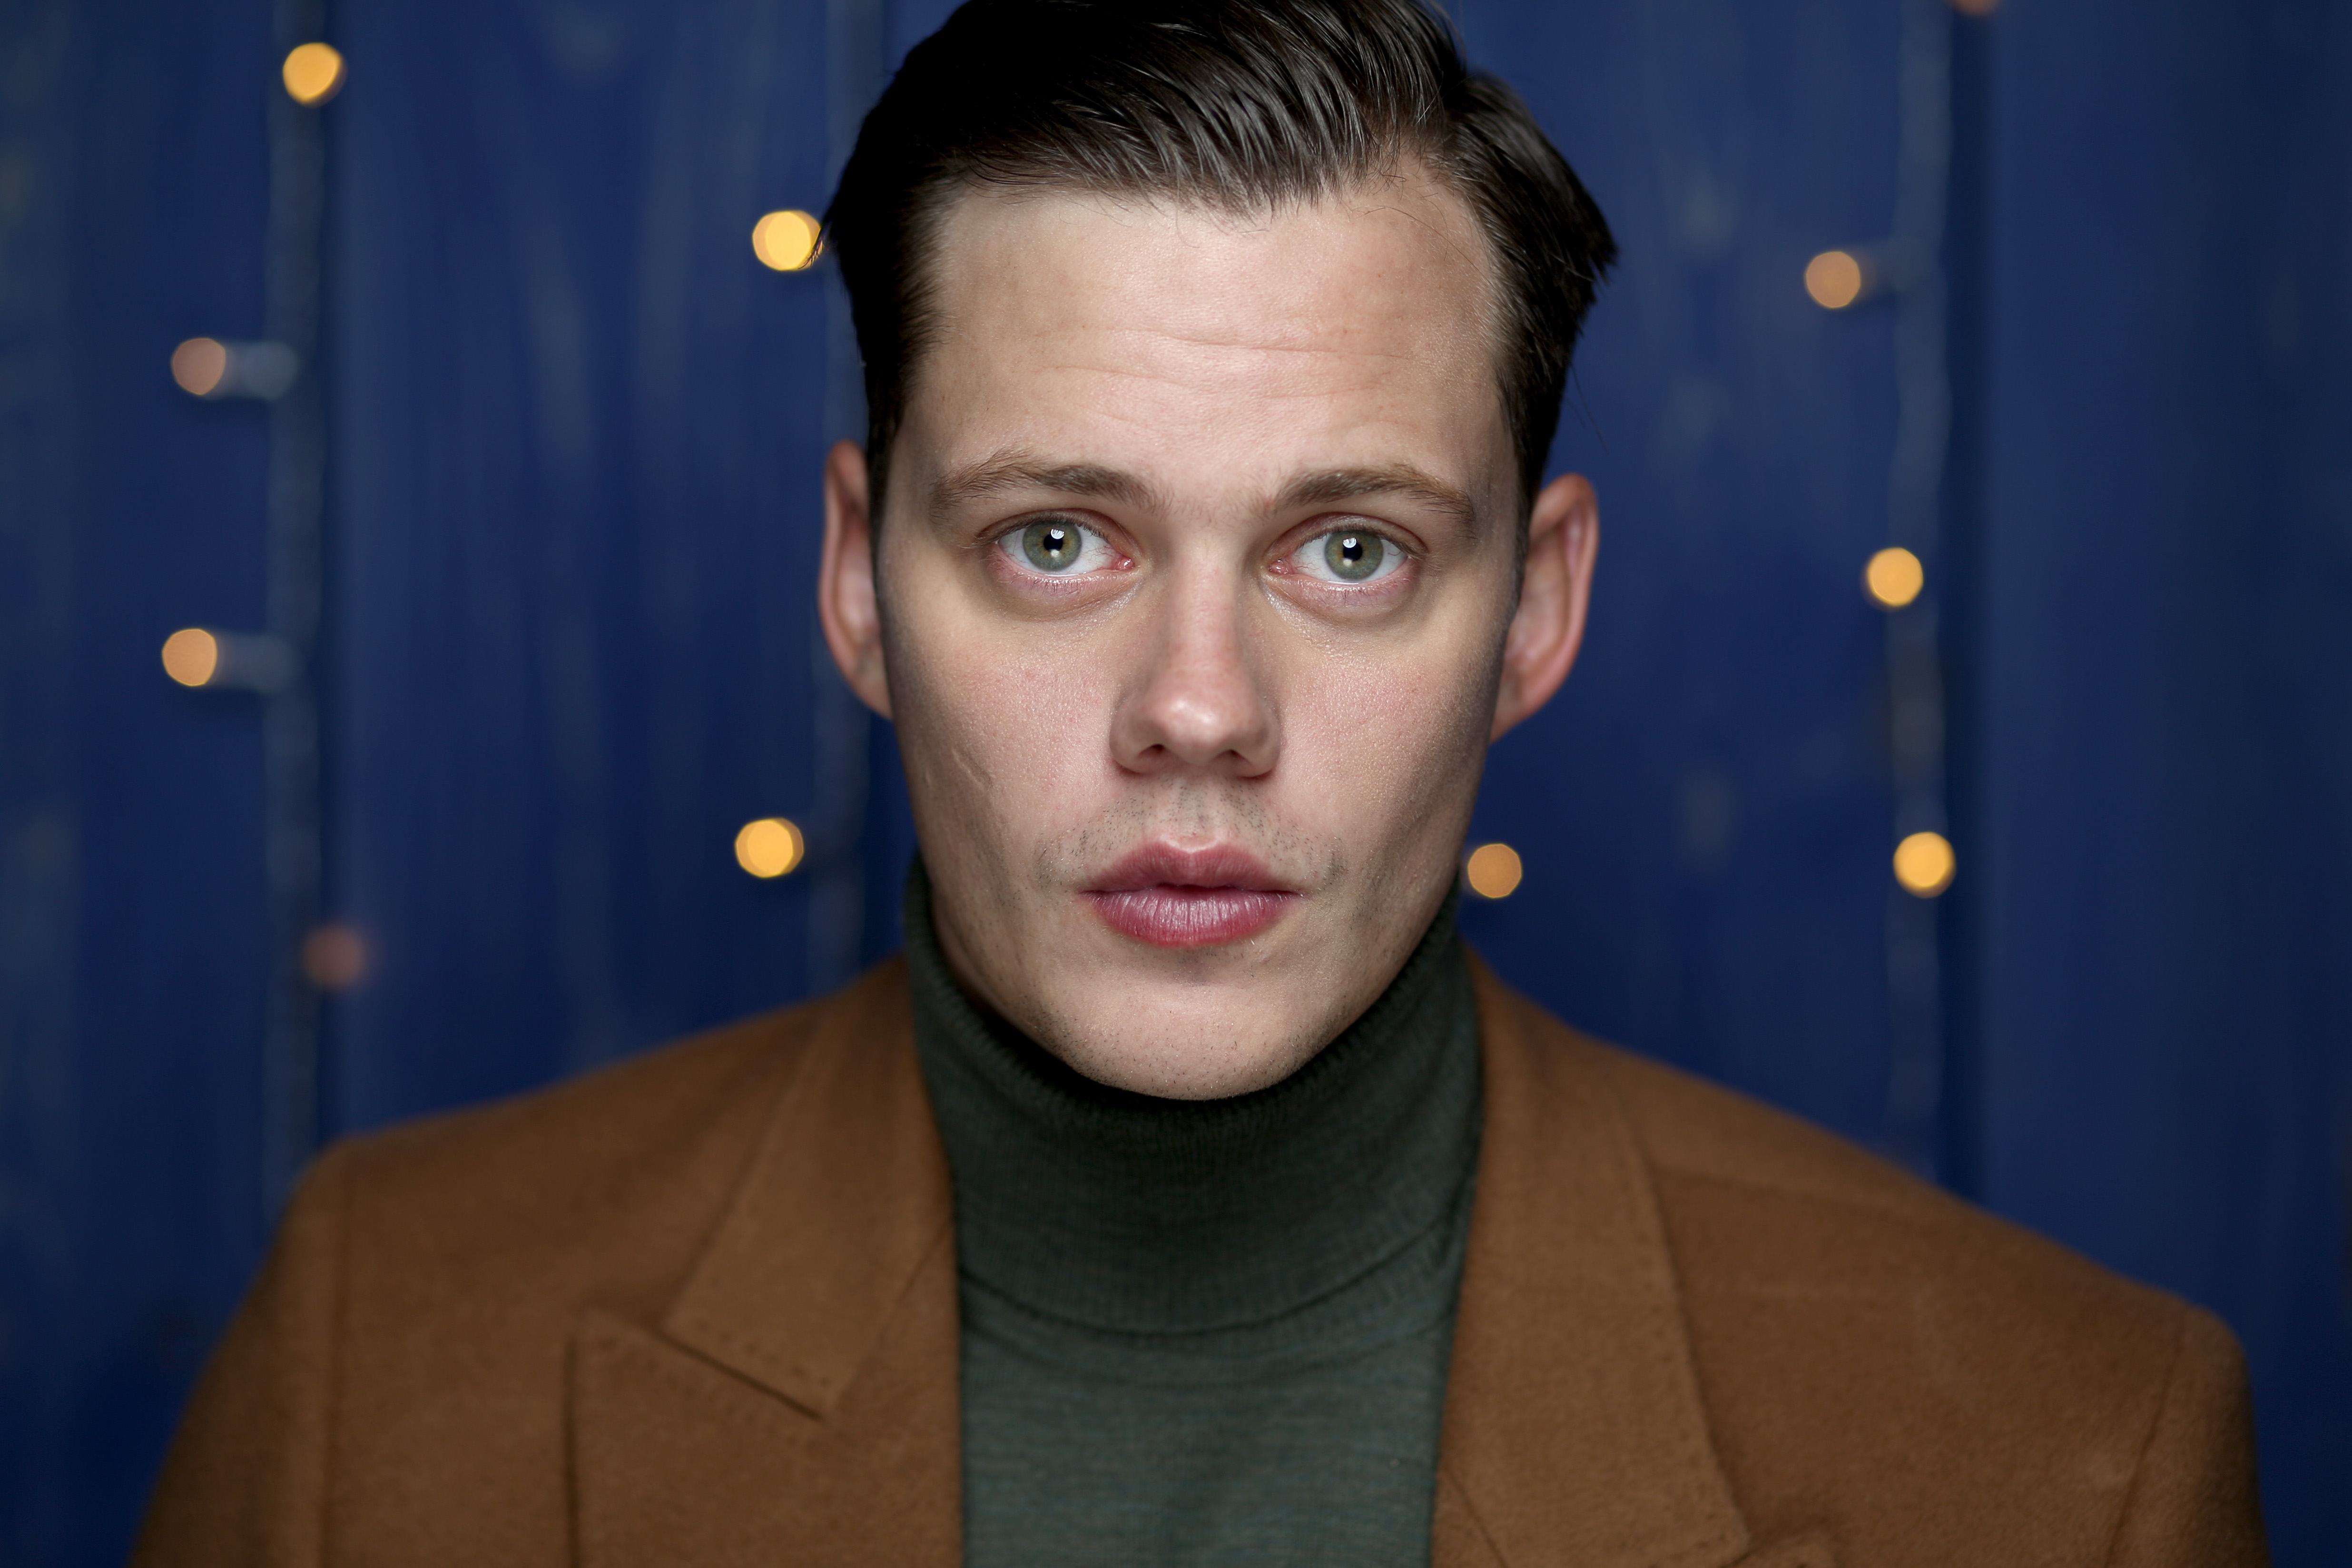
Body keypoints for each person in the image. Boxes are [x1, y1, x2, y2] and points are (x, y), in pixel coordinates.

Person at [134, 1, 2267, 1563]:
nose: (1197, 707)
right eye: (1056, 537)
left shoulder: (2073, 1460)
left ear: (1536, 611)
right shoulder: (384, 1349)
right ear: (857, 586)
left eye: (1353, 549)